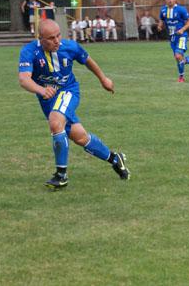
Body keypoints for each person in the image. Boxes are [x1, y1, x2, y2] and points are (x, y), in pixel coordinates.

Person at [18, 19, 130, 190]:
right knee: (80, 137)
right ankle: (115, 159)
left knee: (55, 122)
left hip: (68, 91)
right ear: (40, 38)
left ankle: (61, 175)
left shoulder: (70, 46)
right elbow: (24, 80)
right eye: (51, 38)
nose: (57, 41)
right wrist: (41, 90)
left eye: (58, 35)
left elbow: (88, 61)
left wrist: (103, 79)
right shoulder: (29, 51)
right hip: (48, 98)